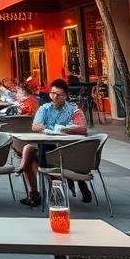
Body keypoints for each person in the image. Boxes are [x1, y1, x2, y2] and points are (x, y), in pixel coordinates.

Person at [18, 78, 89, 207]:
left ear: (65, 96)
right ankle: (38, 191)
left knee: (30, 155)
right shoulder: (45, 108)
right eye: (52, 93)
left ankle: (35, 194)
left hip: (69, 151)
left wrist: (63, 128)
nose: (54, 97)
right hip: (49, 147)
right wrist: (50, 129)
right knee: (30, 150)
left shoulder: (74, 110)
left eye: (58, 94)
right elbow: (35, 126)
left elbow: (82, 128)